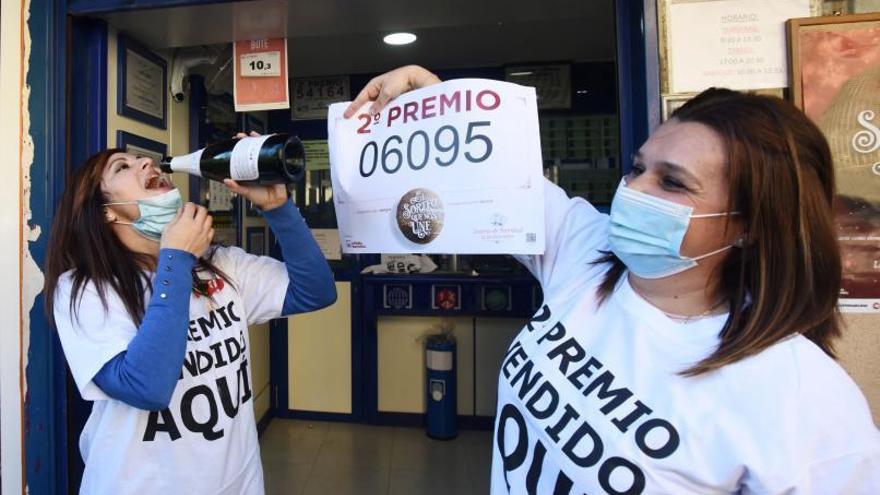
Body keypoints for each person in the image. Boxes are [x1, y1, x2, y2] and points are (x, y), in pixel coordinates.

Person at [346, 66, 880, 494]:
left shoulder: (806, 404)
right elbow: (493, 178)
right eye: (636, 168)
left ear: (749, 225)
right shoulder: (588, 252)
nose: (633, 190)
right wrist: (431, 95)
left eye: (672, 182)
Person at [44, 140, 336, 494]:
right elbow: (145, 387)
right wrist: (177, 259)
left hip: (238, 484)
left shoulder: (221, 264)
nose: (145, 164)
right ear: (106, 211)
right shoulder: (84, 289)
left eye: (142, 159)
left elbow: (315, 292)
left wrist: (278, 208)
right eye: (122, 166)